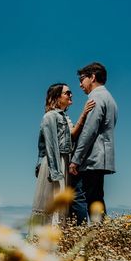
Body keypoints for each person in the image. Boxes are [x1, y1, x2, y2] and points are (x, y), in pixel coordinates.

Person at [31, 83, 94, 226]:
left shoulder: (64, 117)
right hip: (54, 163)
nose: (71, 95)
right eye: (67, 93)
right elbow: (51, 145)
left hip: (63, 162)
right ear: (57, 97)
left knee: (61, 205)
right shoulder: (49, 116)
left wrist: (84, 114)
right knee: (53, 201)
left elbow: (72, 134)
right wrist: (56, 173)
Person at [69, 62, 118, 224]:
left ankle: (78, 235)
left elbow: (88, 132)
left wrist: (76, 159)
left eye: (82, 79)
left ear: (93, 77)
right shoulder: (110, 98)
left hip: (92, 158)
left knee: (78, 197)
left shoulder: (96, 97)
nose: (80, 84)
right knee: (96, 199)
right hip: (103, 157)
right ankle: (102, 234)